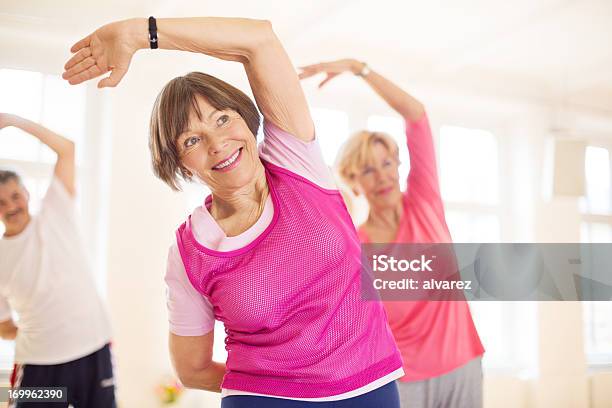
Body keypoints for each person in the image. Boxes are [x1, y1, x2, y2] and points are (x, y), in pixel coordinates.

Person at [62, 17, 403, 407]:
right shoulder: (190, 250)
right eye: (192, 139)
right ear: (180, 163)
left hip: (371, 391)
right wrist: (277, 383)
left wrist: (142, 34)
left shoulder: (296, 162)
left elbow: (259, 39)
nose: (218, 143)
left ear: (245, 116)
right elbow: (191, 369)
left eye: (222, 118)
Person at [300, 59, 485, 408]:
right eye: (368, 169)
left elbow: (416, 116)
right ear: (354, 180)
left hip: (462, 364)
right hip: (404, 379)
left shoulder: (425, 203)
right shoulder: (356, 244)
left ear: (398, 165)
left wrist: (359, 69)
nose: (382, 176)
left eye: (387, 164)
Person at [0, 113, 115, 407]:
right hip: (39, 365)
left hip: (93, 352)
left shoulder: (56, 211)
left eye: (15, 196)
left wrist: (13, 121)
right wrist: (44, 328)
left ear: (26, 193)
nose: (11, 206)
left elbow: (67, 148)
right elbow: (3, 325)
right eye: (1, 202)